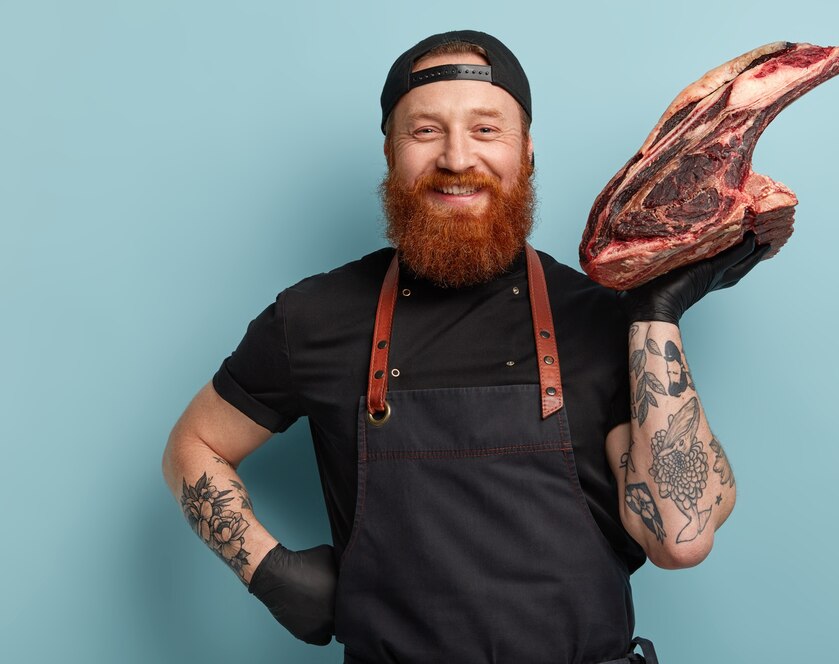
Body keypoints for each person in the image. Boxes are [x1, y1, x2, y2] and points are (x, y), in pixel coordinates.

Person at [162, 29, 769, 664]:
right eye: (425, 131)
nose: (457, 157)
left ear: (526, 151)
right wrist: (266, 570)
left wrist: (656, 316)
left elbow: (680, 536)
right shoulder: (314, 317)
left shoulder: (600, 320)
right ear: (392, 152)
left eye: (486, 130)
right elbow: (193, 445)